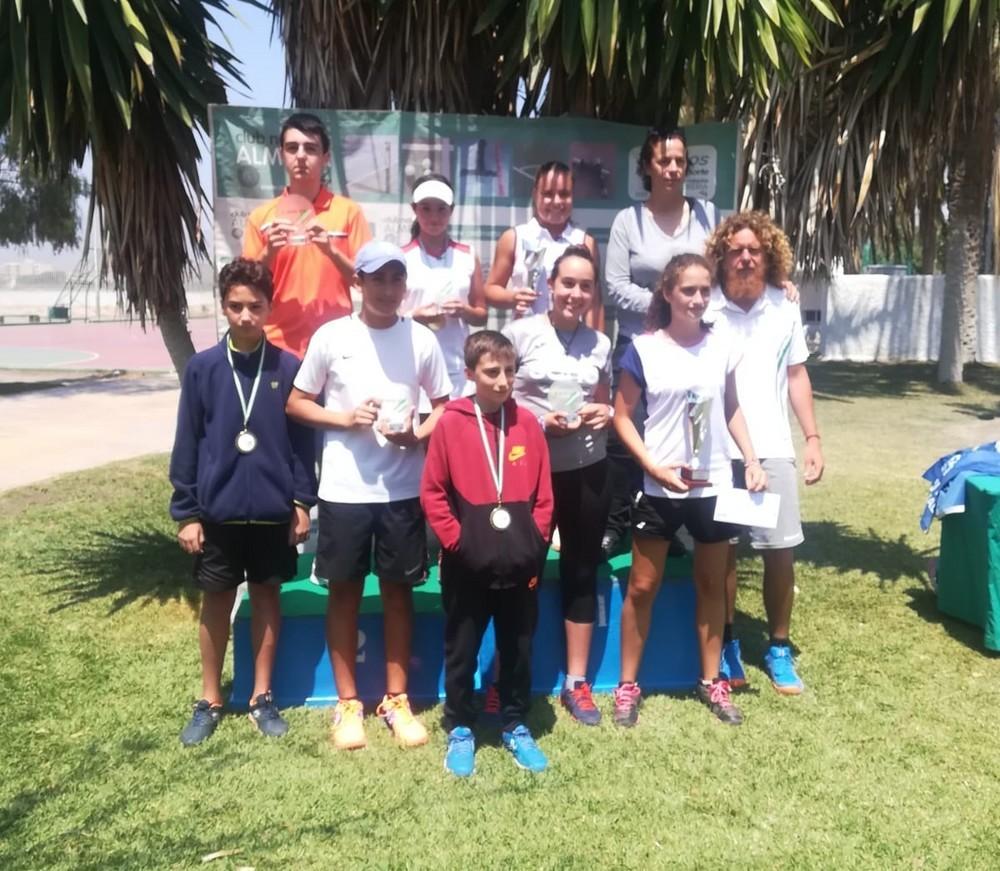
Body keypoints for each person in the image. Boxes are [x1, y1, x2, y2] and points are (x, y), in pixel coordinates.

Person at [285, 240, 452, 751]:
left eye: (395, 279)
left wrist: (417, 437)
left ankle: (396, 700)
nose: (386, 289)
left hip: (401, 489)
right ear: (358, 282)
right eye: (376, 279)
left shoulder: (421, 340)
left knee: (400, 593)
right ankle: (348, 703)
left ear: (406, 286)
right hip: (344, 491)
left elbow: (445, 405)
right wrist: (343, 418)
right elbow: (296, 402)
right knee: (345, 593)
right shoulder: (332, 336)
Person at [611, 253, 767, 728]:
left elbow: (732, 407)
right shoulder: (643, 349)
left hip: (714, 485)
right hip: (660, 487)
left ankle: (711, 680)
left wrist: (752, 459)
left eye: (705, 291)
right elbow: (621, 417)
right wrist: (652, 468)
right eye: (688, 291)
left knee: (711, 584)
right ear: (667, 293)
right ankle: (627, 686)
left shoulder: (722, 347)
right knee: (642, 586)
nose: (698, 300)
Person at [170, 257, 316, 747]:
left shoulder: (288, 368)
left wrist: (300, 502)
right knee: (217, 600)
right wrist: (187, 511)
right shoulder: (204, 368)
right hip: (219, 511)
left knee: (268, 597)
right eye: (236, 306)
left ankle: (261, 696)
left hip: (273, 511)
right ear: (223, 307)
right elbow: (188, 440)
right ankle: (211, 699)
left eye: (255, 306)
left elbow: (302, 446)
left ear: (269, 307)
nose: (245, 316)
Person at [421, 331, 554, 777]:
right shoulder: (452, 423)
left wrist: (534, 540)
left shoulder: (528, 424)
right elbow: (433, 492)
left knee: (518, 646)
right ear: (470, 374)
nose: (502, 381)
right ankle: (461, 727)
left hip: (520, 563)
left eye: (509, 372)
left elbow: (545, 496)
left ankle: (515, 722)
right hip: (467, 564)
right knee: (462, 648)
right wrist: (458, 542)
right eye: (491, 372)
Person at [703, 211, 825, 694]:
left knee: (780, 553)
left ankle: (778, 646)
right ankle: (729, 641)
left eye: (755, 249)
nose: (746, 257)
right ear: (722, 256)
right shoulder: (703, 305)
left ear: (768, 255)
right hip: (718, 452)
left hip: (772, 448)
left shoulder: (784, 307)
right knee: (723, 553)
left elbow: (797, 375)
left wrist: (812, 438)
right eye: (736, 250)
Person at [501, 246, 612, 726]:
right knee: (517, 573)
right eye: (568, 283)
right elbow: (498, 402)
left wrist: (602, 412)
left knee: (581, 571)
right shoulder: (519, 334)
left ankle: (577, 683)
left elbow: (607, 403)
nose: (576, 293)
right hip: (530, 473)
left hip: (587, 470)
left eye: (586, 285)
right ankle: (510, 679)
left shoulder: (602, 343)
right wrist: (539, 420)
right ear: (550, 284)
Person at [602, 128, 720, 557]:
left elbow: (723, 276)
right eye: (663, 161)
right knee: (625, 437)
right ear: (647, 168)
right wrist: (666, 302)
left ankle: (668, 529)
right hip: (639, 344)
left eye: (680, 161)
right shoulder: (627, 221)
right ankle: (617, 524)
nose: (673, 169)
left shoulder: (709, 216)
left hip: (692, 348)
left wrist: (778, 280)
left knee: (683, 435)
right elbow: (614, 287)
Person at [243, 112, 372, 358]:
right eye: (292, 148)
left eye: (311, 149)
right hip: (276, 346)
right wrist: (268, 252)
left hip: (337, 345)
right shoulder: (261, 218)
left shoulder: (349, 212)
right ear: (281, 155)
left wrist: (331, 251)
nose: (301, 156)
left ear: (325, 158)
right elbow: (246, 288)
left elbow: (365, 282)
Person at [400, 173, 488, 406]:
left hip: (458, 371)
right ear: (414, 209)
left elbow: (482, 314)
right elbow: (388, 317)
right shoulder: (401, 257)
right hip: (413, 365)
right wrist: (414, 317)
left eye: (441, 209)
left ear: (451, 210)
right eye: (426, 208)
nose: (433, 216)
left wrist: (464, 310)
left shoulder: (467, 255)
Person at [485, 161, 604, 331]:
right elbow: (490, 290)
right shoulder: (515, 237)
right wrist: (513, 297)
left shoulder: (585, 242)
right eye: (548, 194)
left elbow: (594, 304)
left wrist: (596, 349)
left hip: (571, 342)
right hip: (525, 338)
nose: (556, 202)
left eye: (564, 194)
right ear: (535, 194)